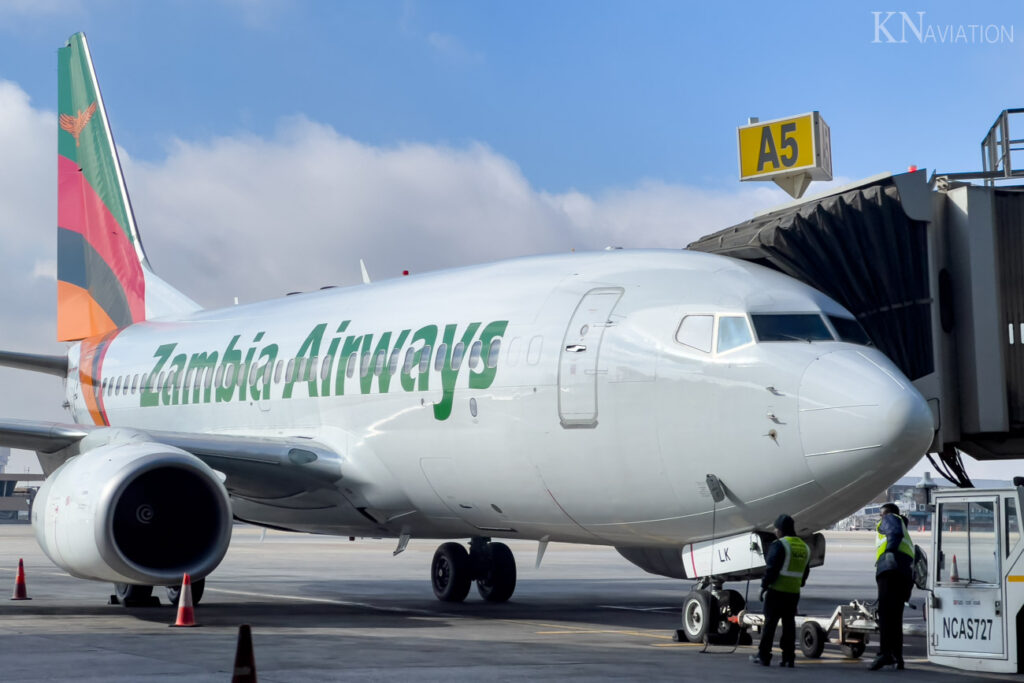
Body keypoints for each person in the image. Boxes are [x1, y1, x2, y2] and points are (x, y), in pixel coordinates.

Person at [750, 514, 810, 667]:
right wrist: (799, 583)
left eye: (776, 529)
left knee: (770, 625)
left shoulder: (779, 545)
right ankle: (788, 657)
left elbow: (772, 568)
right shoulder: (804, 547)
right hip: (793, 593)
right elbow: (805, 571)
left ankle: (764, 655)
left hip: (776, 591)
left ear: (781, 530)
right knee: (789, 625)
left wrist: (763, 586)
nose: (775, 531)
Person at [869, 502, 915, 671]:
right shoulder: (905, 530)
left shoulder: (891, 519)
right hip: (903, 574)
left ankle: (885, 653)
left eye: (881, 514)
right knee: (895, 617)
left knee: (886, 614)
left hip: (890, 572)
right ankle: (898, 656)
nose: (881, 518)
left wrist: (889, 554)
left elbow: (893, 533)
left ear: (887, 513)